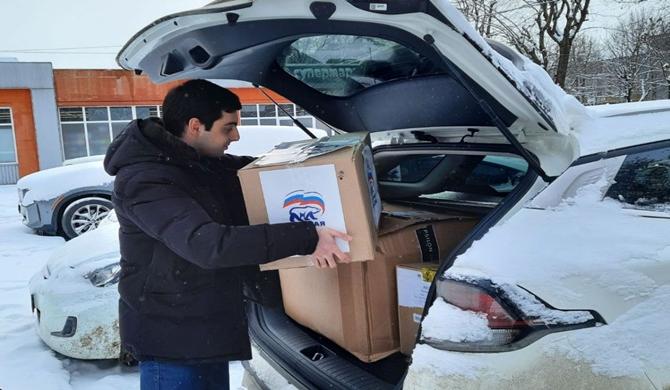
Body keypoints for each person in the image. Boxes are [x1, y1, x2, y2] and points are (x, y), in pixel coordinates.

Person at [103, 79, 351, 389]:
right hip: (172, 338)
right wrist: (308, 237)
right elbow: (209, 246)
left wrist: (329, 162)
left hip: (202, 328)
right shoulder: (145, 180)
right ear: (196, 126)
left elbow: (259, 172)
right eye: (228, 127)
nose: (236, 136)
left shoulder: (198, 163)